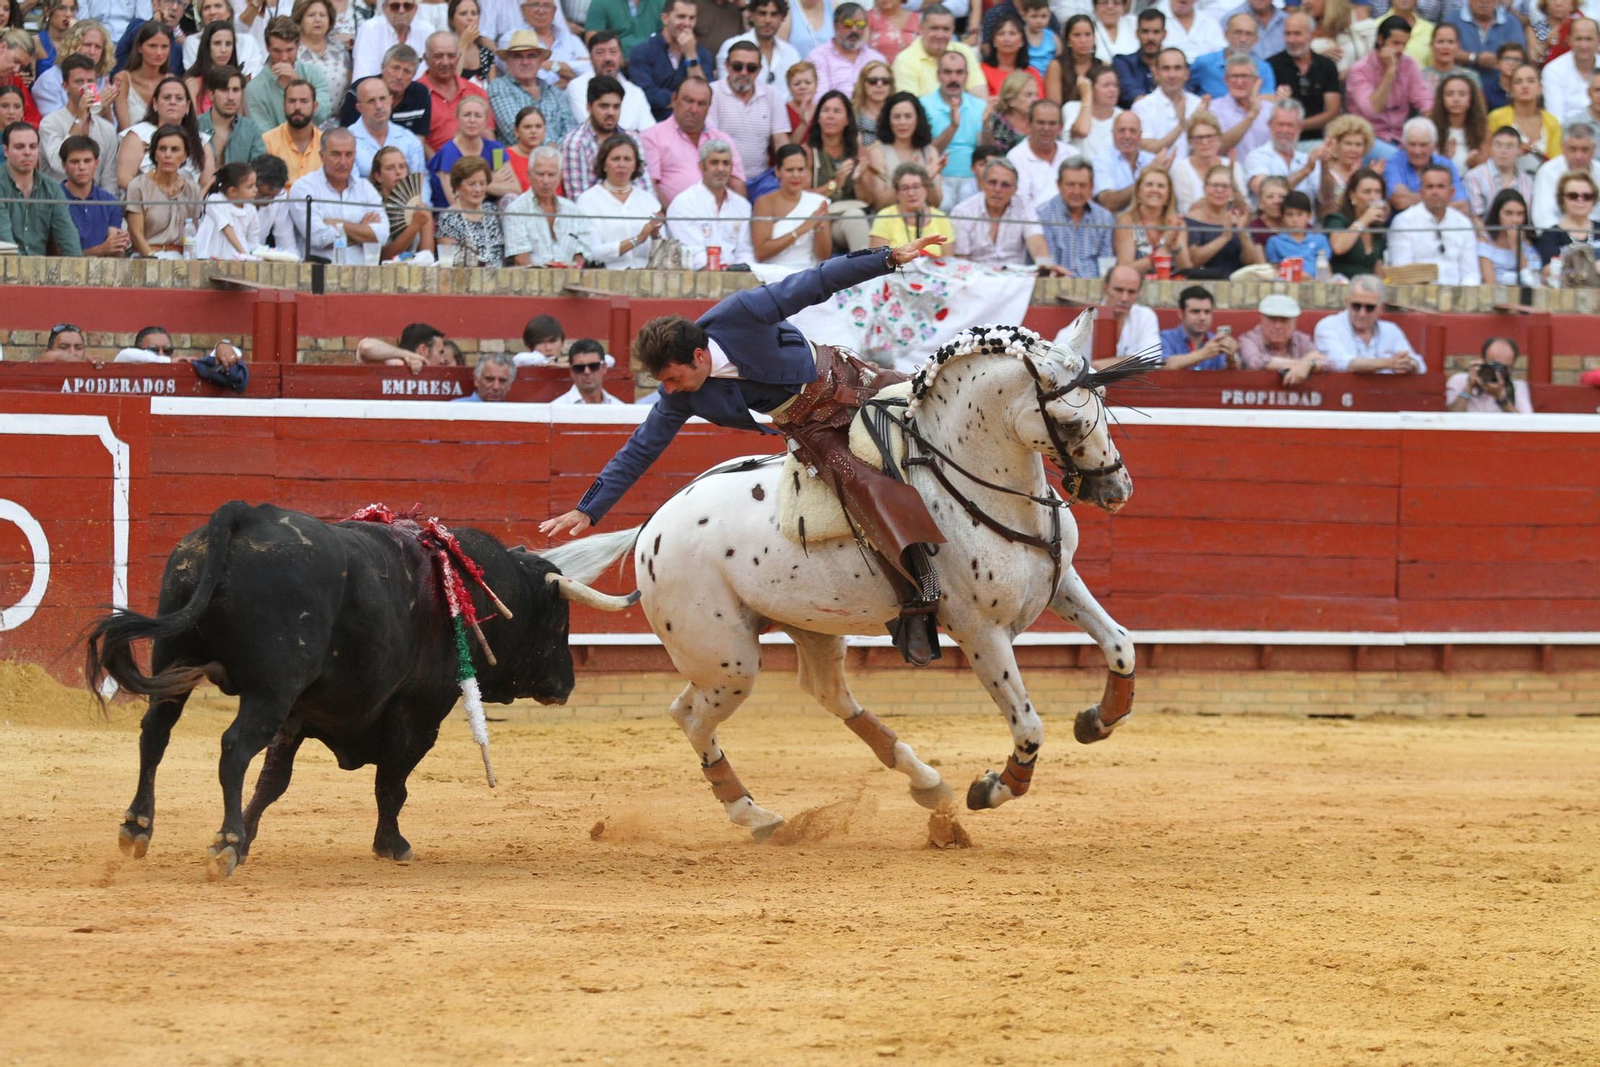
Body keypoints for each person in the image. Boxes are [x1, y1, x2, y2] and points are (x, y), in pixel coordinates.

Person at [538, 237, 950, 666]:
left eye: (675, 378)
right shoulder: (680, 394)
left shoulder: (741, 314)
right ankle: (920, 595)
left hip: (854, 381)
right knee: (863, 487)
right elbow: (640, 449)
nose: (670, 390)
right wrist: (588, 509)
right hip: (813, 429)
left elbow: (816, 281)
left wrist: (886, 258)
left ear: (699, 355)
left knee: (944, 403)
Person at [640, 74, 746, 204]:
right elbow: (650, 187)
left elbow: (737, 184)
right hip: (673, 219)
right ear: (674, 99)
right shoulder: (652, 137)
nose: (694, 109)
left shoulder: (722, 139)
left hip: (719, 218)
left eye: (701, 104)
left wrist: (740, 219)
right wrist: (672, 218)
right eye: (688, 101)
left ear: (709, 108)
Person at [290, 125, 388, 261]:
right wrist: (362, 231)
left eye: (349, 154)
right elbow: (318, 239)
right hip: (320, 275)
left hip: (361, 276)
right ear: (321, 156)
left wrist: (338, 224)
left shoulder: (365, 187)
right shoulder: (304, 188)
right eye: (336, 154)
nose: (343, 162)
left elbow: (382, 235)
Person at [1344, 16, 1434, 156]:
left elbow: (1425, 102)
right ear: (1380, 40)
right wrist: (1390, 72)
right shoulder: (1359, 70)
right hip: (1367, 139)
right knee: (1399, 159)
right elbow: (1373, 110)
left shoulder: (1409, 65)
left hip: (1401, 138)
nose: (1400, 49)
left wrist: (1431, 133)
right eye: (1396, 43)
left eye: (1404, 44)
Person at [574, 132, 663, 268]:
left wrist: (656, 236)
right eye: (615, 159)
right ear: (604, 164)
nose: (622, 164)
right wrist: (636, 240)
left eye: (627, 159)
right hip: (606, 280)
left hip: (646, 278)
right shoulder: (587, 201)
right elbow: (591, 252)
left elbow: (664, 251)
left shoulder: (648, 200)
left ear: (635, 166)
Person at [560, 74, 655, 198]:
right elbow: (578, 200)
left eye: (616, 107)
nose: (611, 112)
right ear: (589, 107)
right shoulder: (574, 144)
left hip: (634, 213)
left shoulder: (633, 140)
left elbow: (645, 189)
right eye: (604, 106)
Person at [665, 137, 753, 267]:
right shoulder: (683, 204)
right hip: (697, 279)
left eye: (726, 163)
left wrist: (744, 271)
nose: (721, 169)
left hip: (737, 277)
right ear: (701, 166)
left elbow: (745, 252)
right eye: (714, 163)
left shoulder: (742, 206)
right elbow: (694, 256)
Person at [708, 39, 791, 179]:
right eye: (737, 66)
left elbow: (780, 141)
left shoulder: (771, 94)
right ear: (727, 66)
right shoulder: (712, 93)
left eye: (751, 68)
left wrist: (787, 174)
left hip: (761, 178)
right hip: (723, 177)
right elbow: (710, 143)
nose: (744, 72)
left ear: (759, 70)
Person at [116, 76, 212, 193]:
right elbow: (124, 178)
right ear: (155, 104)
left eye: (179, 98)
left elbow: (208, 183)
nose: (172, 102)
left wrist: (192, 204)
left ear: (187, 107)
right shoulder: (138, 134)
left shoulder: (201, 140)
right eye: (166, 98)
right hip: (146, 204)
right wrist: (157, 197)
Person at [1387, 162, 1481, 282]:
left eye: (1441, 186)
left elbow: (1471, 273)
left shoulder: (1463, 223)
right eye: (1430, 186)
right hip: (1416, 296)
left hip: (1457, 296)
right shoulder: (1404, 222)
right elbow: (1402, 272)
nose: (1435, 192)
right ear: (1421, 192)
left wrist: (1462, 298)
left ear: (1451, 192)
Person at [1313, 274, 1425, 373]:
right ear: (1347, 302)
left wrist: (1409, 364)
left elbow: (1421, 366)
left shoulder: (1391, 330)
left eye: (1369, 308)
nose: (1362, 313)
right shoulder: (1329, 326)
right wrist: (1388, 363)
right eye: (1356, 306)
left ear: (1381, 308)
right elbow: (1341, 363)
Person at [0, 121, 82, 254]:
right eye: (19, 147)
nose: (27, 152)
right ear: (5, 151)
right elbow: (5, 242)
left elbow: (68, 237)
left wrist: (78, 271)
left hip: (39, 271)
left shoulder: (52, 188)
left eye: (32, 147)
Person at [39, 54, 116, 190]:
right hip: (57, 202)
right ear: (65, 86)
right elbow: (58, 164)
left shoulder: (107, 129)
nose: (86, 87)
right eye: (79, 82)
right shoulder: (50, 123)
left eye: (90, 82)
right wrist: (79, 118)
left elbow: (109, 179)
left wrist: (108, 209)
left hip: (94, 204)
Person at [630, 0, 715, 122]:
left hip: (692, 126)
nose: (687, 23)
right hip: (654, 124)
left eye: (691, 18)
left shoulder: (702, 54)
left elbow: (705, 96)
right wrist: (687, 101)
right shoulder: (642, 51)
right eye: (681, 17)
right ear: (665, 18)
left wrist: (691, 55)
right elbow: (647, 95)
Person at [487, 29, 575, 147]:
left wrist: (556, 153)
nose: (525, 62)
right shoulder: (499, 87)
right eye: (518, 56)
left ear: (540, 61)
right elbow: (514, 131)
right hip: (519, 163)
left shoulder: (555, 93)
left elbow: (570, 132)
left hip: (558, 161)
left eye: (531, 56)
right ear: (507, 60)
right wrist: (550, 150)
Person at [123, 123, 202, 254]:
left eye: (175, 149)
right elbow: (136, 234)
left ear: (185, 155)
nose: (168, 155)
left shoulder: (193, 189)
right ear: (154, 154)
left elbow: (192, 233)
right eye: (162, 149)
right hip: (147, 258)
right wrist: (153, 261)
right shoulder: (138, 186)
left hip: (182, 258)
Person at [860, 89, 942, 209]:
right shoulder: (878, 152)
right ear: (888, 120)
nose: (902, 122)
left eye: (908, 116)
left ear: (918, 119)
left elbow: (936, 203)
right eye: (896, 117)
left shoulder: (930, 152)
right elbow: (879, 204)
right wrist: (907, 185)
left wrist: (927, 180)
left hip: (922, 221)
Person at [428, 94, 517, 204]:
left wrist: (474, 186)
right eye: (466, 115)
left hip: (488, 210)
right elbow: (455, 200)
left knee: (511, 199)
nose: (472, 120)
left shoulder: (495, 149)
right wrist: (490, 181)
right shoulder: (449, 152)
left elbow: (515, 188)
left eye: (478, 116)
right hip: (454, 214)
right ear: (457, 119)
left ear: (485, 121)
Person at [504, 148, 587, 266]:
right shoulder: (516, 210)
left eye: (551, 174)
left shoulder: (572, 210)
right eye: (540, 174)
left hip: (571, 281)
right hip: (532, 282)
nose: (546, 181)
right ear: (528, 175)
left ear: (560, 176)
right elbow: (521, 260)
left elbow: (580, 258)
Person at [751, 141, 830, 264]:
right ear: (777, 171)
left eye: (800, 169)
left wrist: (818, 227)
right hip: (772, 274)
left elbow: (824, 256)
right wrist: (802, 228)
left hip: (806, 273)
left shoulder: (818, 202)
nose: (796, 175)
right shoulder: (765, 202)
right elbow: (761, 252)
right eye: (789, 170)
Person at [1065, 263, 1158, 366]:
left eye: (1131, 292)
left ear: (1138, 293)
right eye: (1119, 290)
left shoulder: (1144, 316)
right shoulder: (1088, 317)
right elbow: (1057, 353)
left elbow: (1153, 359)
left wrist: (1104, 365)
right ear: (1105, 289)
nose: (1124, 298)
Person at [1269, 11, 1342, 141]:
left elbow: (1333, 111)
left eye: (1297, 34)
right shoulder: (1271, 65)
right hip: (1279, 140)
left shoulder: (1326, 65)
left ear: (1312, 35)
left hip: (1315, 140)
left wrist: (1299, 125)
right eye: (1287, 34)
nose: (1291, 40)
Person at [1036, 156, 1115, 276]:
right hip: (1054, 287)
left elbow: (1107, 267)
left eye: (1082, 185)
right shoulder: (1042, 215)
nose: (1076, 191)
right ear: (1059, 185)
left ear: (1091, 187)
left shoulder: (1104, 217)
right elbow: (1047, 267)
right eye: (1070, 185)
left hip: (1094, 289)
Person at [247, 17, 332, 127]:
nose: (284, 58)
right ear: (267, 48)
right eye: (277, 51)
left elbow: (323, 114)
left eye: (289, 50)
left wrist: (300, 86)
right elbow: (263, 133)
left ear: (298, 46)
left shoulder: (314, 73)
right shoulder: (255, 88)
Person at [564, 33, 653, 137]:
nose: (607, 58)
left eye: (613, 52)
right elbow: (594, 128)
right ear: (590, 58)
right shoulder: (577, 87)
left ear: (621, 57)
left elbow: (650, 134)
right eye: (600, 53)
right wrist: (634, 134)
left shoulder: (635, 92)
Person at [1183, 161, 1264, 277]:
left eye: (1225, 186)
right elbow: (1194, 260)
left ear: (1231, 191)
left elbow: (1250, 262)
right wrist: (1224, 237)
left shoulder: (1236, 219)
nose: (1219, 190)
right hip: (1203, 282)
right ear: (1205, 188)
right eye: (1214, 185)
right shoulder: (1190, 220)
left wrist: (1241, 234)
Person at [921, 49, 985, 194]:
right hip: (938, 176)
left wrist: (988, 125)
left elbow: (986, 153)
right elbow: (926, 153)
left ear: (966, 76)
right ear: (938, 76)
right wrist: (953, 127)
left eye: (959, 72)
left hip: (973, 179)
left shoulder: (981, 107)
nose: (953, 78)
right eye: (947, 72)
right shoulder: (922, 106)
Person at [339, 45, 431, 138]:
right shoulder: (360, 90)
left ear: (414, 75)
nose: (399, 76)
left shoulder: (421, 94)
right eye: (395, 68)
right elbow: (347, 135)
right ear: (383, 67)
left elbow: (420, 138)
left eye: (406, 71)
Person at [891, 3, 981, 98]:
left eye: (946, 29)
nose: (940, 35)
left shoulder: (963, 51)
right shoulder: (905, 60)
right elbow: (907, 107)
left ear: (953, 30)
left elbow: (980, 95)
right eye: (934, 28)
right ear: (921, 29)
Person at [31, 18, 113, 119]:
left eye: (98, 47)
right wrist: (98, 109)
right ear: (72, 45)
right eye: (87, 45)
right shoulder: (48, 81)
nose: (92, 52)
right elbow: (56, 127)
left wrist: (106, 108)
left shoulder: (103, 79)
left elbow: (111, 129)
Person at [1485, 62, 1560, 172]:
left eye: (1530, 81)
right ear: (1510, 89)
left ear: (1540, 88)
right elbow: (1487, 155)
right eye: (1518, 82)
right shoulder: (1496, 117)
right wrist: (1514, 151)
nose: (1525, 86)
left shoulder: (1552, 122)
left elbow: (1556, 161)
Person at [58, 134, 127, 253]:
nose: (82, 167)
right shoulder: (53, 198)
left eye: (87, 161)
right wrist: (100, 250)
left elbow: (113, 251)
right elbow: (57, 253)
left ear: (96, 163)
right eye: (75, 162)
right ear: (64, 165)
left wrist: (119, 244)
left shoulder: (109, 202)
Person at [348, 74, 425, 180]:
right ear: (359, 108)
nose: (379, 106)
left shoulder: (410, 140)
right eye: (371, 101)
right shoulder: (347, 142)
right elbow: (352, 187)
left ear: (391, 100)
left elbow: (421, 182)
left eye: (382, 99)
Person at [1386, 116, 1468, 213]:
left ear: (1434, 145)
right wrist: (1441, 198)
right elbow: (1400, 201)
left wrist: (1412, 197)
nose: (1417, 151)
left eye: (1423, 145)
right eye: (1412, 144)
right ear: (1404, 144)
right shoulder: (1394, 163)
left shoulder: (1446, 164)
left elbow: (1462, 207)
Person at [1447, 0, 1523, 106]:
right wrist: (1474, 58)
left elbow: (1520, 56)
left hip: (1502, 95)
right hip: (1462, 95)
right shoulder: (1452, 19)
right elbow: (1445, 51)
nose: (1484, 2)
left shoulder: (1511, 22)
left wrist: (1499, 62)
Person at [868, 158, 952, 250]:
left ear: (926, 188)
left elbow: (948, 260)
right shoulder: (885, 217)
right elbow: (876, 260)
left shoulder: (941, 218)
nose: (911, 193)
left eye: (916, 187)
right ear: (897, 192)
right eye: (905, 188)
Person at [1237, 292, 1322, 383]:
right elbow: (1254, 362)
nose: (1278, 326)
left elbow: (1327, 363)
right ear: (1261, 320)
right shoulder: (1249, 339)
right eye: (1272, 320)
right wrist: (1304, 363)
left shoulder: (1301, 339)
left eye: (1284, 320)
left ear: (1294, 323)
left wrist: (1308, 363)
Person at [1244, 99, 1319, 202]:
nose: (1284, 130)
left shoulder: (1308, 159)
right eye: (1280, 124)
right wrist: (1305, 171)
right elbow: (1265, 190)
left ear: (1300, 128)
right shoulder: (1256, 157)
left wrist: (1326, 165)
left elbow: (1325, 199)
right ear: (1269, 125)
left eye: (1290, 125)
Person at [1131, 48, 1200, 158]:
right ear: (1156, 73)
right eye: (1166, 69)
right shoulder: (1142, 107)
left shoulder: (1197, 104)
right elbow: (1148, 148)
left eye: (1177, 68)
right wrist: (1182, 125)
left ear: (1186, 73)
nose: (1172, 75)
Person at [369, 142, 435, 257]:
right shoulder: (373, 208)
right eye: (390, 168)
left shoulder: (420, 208)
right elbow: (384, 256)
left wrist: (421, 222)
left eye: (402, 166)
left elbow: (427, 255)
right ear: (378, 176)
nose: (398, 172)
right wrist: (415, 226)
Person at [434, 154, 503, 264]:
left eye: (482, 183)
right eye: (471, 184)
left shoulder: (492, 211)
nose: (478, 189)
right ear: (457, 186)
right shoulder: (448, 217)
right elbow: (448, 264)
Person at [1530, 121, 1600, 228]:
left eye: (1584, 150)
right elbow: (1543, 217)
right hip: (1557, 237)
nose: (1578, 156)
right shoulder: (1548, 171)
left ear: (1594, 149)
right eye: (1573, 149)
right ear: (1563, 147)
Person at [1189, 13, 1276, 98]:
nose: (1243, 39)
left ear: (1256, 39)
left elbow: (1268, 102)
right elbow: (1184, 91)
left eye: (1249, 34)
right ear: (1226, 35)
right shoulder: (1204, 63)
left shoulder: (1263, 68)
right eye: (1237, 32)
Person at [1532, 169, 1600, 277]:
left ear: (1594, 199)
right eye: (1573, 196)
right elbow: (1547, 272)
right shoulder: (1550, 234)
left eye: (1587, 196)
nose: (1580, 200)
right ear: (1562, 199)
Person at [716, 0, 798, 89]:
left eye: (774, 14)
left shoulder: (791, 53)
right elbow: (725, 90)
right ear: (751, 15)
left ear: (782, 18)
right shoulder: (731, 46)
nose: (768, 20)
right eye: (762, 13)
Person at [1324, 165, 1388, 278]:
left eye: (1378, 192)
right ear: (1352, 195)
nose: (1373, 197)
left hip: (1368, 289)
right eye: (1367, 192)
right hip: (1341, 286)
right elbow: (1338, 247)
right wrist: (1363, 221)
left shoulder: (1377, 226)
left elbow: (1378, 266)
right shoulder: (1337, 219)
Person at [1208, 53, 1274, 161]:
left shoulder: (1270, 110)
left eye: (1244, 76)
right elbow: (1218, 147)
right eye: (1234, 76)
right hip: (1230, 174)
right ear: (1226, 80)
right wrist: (1251, 115)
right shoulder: (1214, 109)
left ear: (1256, 80)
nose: (1239, 82)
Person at [1004, 97, 1069, 208]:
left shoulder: (1072, 154)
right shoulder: (1015, 157)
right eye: (1040, 122)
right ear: (1028, 124)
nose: (1046, 128)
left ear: (1060, 128)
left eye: (1052, 123)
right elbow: (1020, 204)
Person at [810, 3, 885, 96]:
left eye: (860, 24)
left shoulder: (876, 59)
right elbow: (819, 98)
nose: (854, 29)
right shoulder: (819, 57)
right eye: (847, 24)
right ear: (835, 26)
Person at [110, 21, 174, 131]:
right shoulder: (123, 79)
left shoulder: (172, 82)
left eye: (164, 47)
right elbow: (124, 129)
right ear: (140, 47)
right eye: (152, 46)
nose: (159, 52)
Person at [1156, 285, 1238, 370]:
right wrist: (1203, 354)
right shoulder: (1165, 337)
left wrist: (1233, 358)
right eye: (1195, 311)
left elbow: (1235, 373)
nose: (1202, 317)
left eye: (1207, 312)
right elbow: (1163, 365)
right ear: (1181, 313)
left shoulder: (1216, 340)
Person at [199, 65, 267, 166]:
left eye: (235, 90)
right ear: (211, 94)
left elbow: (260, 169)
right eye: (224, 90)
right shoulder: (194, 126)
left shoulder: (251, 129)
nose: (230, 97)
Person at [261, 79, 324, 187]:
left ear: (315, 106)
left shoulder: (326, 143)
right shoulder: (267, 141)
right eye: (292, 101)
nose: (297, 107)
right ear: (283, 105)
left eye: (304, 101)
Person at [1446, 336, 1534, 412]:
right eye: (1493, 365)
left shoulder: (1516, 387)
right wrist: (1469, 387)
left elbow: (1526, 425)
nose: (1497, 372)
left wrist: (1501, 398)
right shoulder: (1460, 381)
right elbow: (1452, 417)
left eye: (1503, 368)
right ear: (1482, 361)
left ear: (1511, 368)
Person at [1091, 108, 1156, 212]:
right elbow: (1108, 203)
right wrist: (1145, 180)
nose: (1127, 136)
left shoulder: (1151, 159)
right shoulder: (1101, 160)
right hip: (1114, 226)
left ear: (1140, 135)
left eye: (1133, 131)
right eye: (1121, 130)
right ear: (1113, 134)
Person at [193, 159, 260, 257]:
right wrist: (244, 254)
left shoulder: (250, 210)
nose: (256, 190)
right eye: (250, 187)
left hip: (239, 258)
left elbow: (253, 240)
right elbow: (226, 228)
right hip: (212, 256)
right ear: (233, 191)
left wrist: (251, 256)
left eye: (255, 185)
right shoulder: (215, 200)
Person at [1465, 123, 1533, 220]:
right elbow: (1477, 217)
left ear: (1519, 150)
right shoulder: (1474, 177)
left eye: (1509, 146)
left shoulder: (1528, 182)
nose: (1503, 151)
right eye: (1498, 145)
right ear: (1491, 148)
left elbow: (1528, 218)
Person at [351, 0, 429, 80]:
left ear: (415, 9)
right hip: (379, 90)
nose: (401, 11)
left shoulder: (427, 30)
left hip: (417, 90)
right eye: (395, 6)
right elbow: (363, 77)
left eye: (407, 6)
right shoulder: (370, 29)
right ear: (384, 8)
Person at [1475, 188, 1540, 284]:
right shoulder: (1485, 241)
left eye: (1520, 214)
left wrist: (1517, 247)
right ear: (1498, 214)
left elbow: (1533, 283)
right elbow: (1490, 283)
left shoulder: (1527, 244)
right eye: (1508, 213)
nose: (1515, 220)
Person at [1428, 72, 1488, 176]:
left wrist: (1474, 165)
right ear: (1442, 99)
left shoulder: (1482, 129)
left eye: (1462, 94)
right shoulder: (1430, 127)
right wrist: (1444, 160)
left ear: (1470, 100)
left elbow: (1486, 167)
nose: (1456, 99)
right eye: (1450, 94)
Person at [1059, 60, 1121, 160]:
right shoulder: (1071, 108)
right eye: (1106, 85)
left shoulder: (1121, 116)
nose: (1113, 90)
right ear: (1090, 87)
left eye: (1115, 85)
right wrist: (1086, 95)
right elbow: (1082, 131)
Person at [1315, 113, 1372, 214]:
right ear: (1337, 144)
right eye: (1348, 143)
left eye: (1358, 144)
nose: (1353, 149)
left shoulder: (1367, 173)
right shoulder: (1325, 171)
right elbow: (1326, 210)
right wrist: (1351, 181)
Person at [1263, 190, 1332, 268]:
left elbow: (1326, 269)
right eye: (1289, 214)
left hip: (1316, 280)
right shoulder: (1274, 242)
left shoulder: (1320, 240)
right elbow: (1273, 271)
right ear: (1282, 217)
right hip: (1286, 280)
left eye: (1300, 214)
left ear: (1309, 216)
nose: (1294, 220)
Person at [1546, 18, 1599, 118]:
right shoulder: (1553, 70)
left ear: (1598, 40)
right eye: (1578, 39)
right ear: (1569, 40)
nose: (1584, 46)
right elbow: (1555, 119)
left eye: (1589, 39)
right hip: (1568, 132)